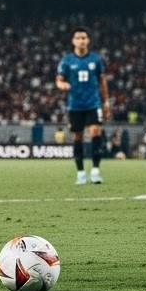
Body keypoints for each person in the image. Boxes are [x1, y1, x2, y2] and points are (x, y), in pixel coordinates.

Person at [54, 28, 110, 184]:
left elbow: (102, 81)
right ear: (73, 41)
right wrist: (62, 85)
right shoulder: (67, 61)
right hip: (75, 105)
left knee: (95, 132)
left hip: (93, 103)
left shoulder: (95, 59)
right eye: (78, 38)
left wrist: (106, 101)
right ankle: (80, 173)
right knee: (77, 136)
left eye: (84, 37)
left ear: (88, 40)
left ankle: (95, 171)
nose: (81, 40)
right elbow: (59, 79)